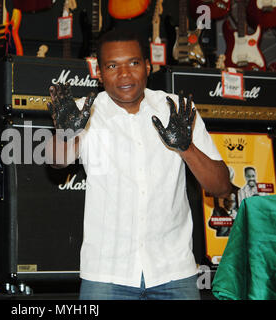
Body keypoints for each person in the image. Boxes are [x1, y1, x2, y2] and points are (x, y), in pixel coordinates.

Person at [45, 29, 231, 300]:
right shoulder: (83, 111)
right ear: (99, 72)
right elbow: (55, 162)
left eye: (132, 63)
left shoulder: (176, 110)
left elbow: (221, 186)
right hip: (106, 274)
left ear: (147, 66)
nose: (124, 74)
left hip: (174, 272)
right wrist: (66, 134)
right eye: (112, 66)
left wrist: (185, 147)